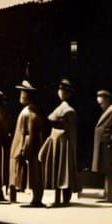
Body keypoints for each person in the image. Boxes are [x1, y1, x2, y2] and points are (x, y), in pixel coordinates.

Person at [39, 79, 80, 207]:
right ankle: (58, 198)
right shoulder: (60, 108)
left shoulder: (69, 111)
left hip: (64, 143)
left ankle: (65, 199)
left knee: (64, 169)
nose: (60, 92)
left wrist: (71, 148)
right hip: (57, 141)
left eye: (63, 91)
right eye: (60, 90)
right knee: (57, 169)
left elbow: (72, 131)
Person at [9, 81, 47, 207]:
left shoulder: (29, 113)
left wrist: (25, 149)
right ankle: (36, 198)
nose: (20, 94)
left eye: (22, 92)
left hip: (31, 149)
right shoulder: (28, 111)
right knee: (33, 173)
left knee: (34, 174)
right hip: (29, 148)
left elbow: (29, 134)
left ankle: (37, 199)